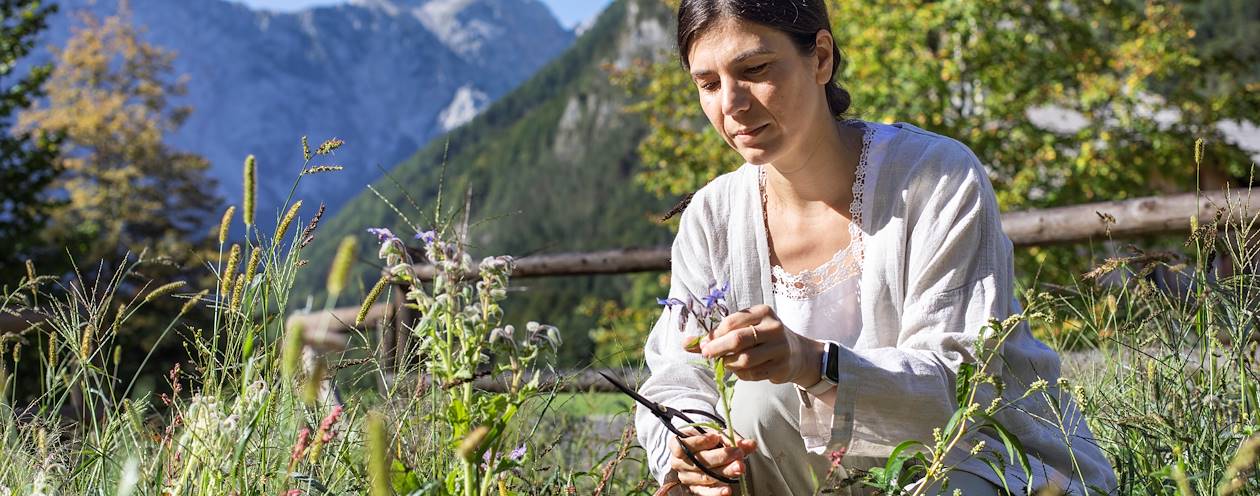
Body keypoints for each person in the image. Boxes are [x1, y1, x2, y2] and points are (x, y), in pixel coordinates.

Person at [633, 1, 1119, 495]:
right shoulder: (712, 217)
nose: (732, 103)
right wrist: (692, 442)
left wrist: (814, 362)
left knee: (770, 395)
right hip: (805, 476)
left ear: (820, 57)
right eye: (709, 84)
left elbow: (964, 388)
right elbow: (677, 375)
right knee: (751, 413)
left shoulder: (935, 177)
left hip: (972, 464)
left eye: (754, 70)